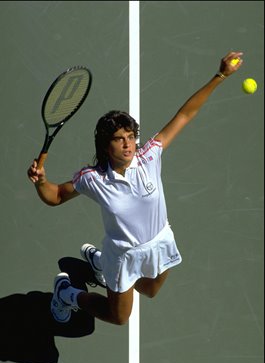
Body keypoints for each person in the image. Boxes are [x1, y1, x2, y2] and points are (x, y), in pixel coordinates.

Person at [28, 51, 243, 325]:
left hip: (159, 242)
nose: (128, 144)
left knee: (151, 291)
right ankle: (68, 294)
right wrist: (42, 182)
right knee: (117, 317)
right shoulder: (93, 179)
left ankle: (99, 264)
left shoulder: (150, 156)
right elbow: (55, 196)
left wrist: (221, 75)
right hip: (123, 255)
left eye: (130, 137)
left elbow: (185, 115)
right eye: (119, 139)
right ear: (107, 145)